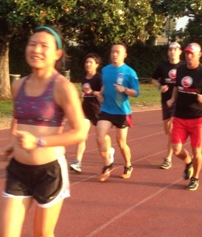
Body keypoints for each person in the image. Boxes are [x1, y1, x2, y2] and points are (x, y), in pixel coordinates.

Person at [0, 25, 88, 237]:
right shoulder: (18, 85)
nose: (36, 49)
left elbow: (80, 130)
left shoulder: (62, 87)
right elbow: (17, 120)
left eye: (44, 46)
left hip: (50, 171)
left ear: (57, 54)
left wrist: (39, 141)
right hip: (19, 170)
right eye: (32, 43)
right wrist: (11, 145)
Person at [167, 42, 202, 191]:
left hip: (198, 118)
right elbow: (176, 87)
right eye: (187, 53)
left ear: (199, 55)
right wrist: (173, 99)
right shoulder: (180, 70)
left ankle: (195, 178)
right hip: (180, 116)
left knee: (197, 151)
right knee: (176, 149)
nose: (189, 56)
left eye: (192, 53)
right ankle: (188, 163)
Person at [95, 42, 140, 182]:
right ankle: (108, 164)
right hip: (107, 109)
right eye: (112, 51)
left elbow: (136, 92)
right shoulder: (106, 70)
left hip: (122, 111)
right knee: (99, 136)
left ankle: (128, 165)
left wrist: (124, 90)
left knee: (121, 143)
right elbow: (104, 85)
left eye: (117, 52)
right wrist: (101, 94)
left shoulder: (130, 72)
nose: (114, 54)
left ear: (124, 55)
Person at [150, 41, 184, 170]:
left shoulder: (184, 67)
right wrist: (159, 86)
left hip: (180, 101)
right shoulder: (163, 66)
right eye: (170, 50)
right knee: (167, 130)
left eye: (175, 49)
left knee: (171, 129)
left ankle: (168, 158)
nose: (172, 52)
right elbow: (153, 79)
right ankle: (175, 143)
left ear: (180, 52)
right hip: (165, 100)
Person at [69, 53, 102, 173]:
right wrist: (80, 95)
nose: (87, 64)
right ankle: (78, 162)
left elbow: (102, 94)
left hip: (97, 110)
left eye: (90, 62)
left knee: (101, 139)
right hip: (85, 109)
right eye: (86, 62)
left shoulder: (99, 78)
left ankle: (109, 153)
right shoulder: (83, 77)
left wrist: (92, 92)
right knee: (81, 135)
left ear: (96, 65)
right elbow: (84, 92)